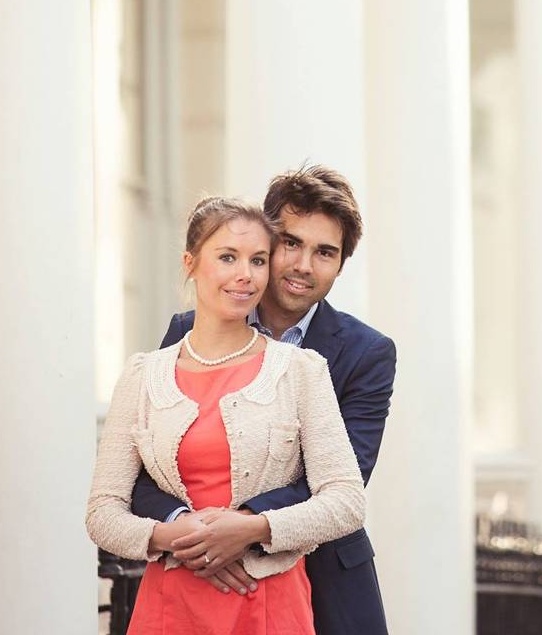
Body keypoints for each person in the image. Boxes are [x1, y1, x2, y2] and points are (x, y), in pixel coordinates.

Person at [130, 166, 396, 635]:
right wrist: (198, 534)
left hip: (327, 580)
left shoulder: (366, 353)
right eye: (291, 244)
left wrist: (245, 529)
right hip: (198, 577)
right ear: (268, 245)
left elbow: (342, 477)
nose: (302, 266)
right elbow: (147, 468)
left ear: (340, 264)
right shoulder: (185, 334)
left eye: (325, 253)